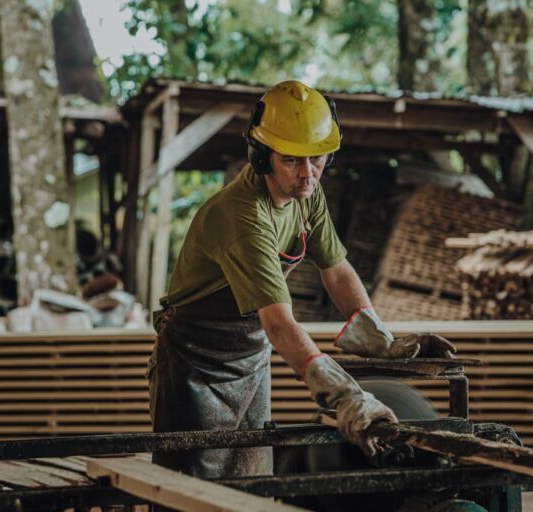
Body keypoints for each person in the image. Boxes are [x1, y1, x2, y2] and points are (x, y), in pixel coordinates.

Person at [147, 80, 454, 478]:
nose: (308, 173)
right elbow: (278, 322)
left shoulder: (307, 196)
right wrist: (345, 396)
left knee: (253, 480)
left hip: (251, 357)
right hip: (195, 363)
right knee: (191, 491)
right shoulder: (243, 216)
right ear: (262, 157)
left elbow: (337, 268)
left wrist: (379, 337)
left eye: (317, 158)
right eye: (292, 160)